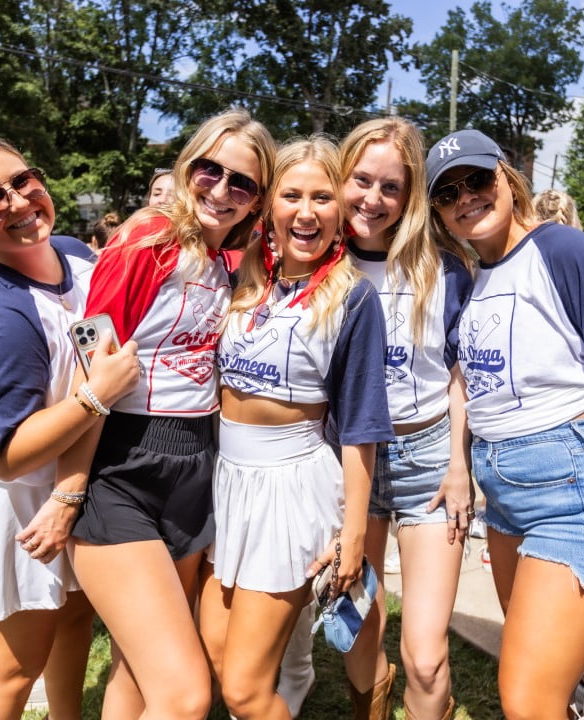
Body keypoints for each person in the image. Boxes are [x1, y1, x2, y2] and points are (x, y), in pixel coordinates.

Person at [425, 129, 584, 720]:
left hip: (577, 489)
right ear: (438, 213)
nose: (465, 197)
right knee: (543, 688)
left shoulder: (566, 251)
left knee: (527, 697)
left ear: (506, 177)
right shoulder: (472, 275)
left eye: (477, 180)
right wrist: (461, 465)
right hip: (506, 497)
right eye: (447, 193)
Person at [0, 132, 140, 720]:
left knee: (71, 623)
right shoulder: (1, 318)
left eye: (23, 180)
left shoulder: (76, 254)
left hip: (65, 482)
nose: (17, 200)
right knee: (11, 671)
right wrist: (95, 396)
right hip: (8, 502)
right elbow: (5, 454)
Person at [60, 109, 275, 719]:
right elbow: (91, 368)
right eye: (212, 170)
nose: (222, 190)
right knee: (184, 697)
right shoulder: (146, 239)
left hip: (194, 465)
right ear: (189, 166)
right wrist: (68, 493)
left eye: (243, 184)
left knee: (138, 665)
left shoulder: (227, 259)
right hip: (121, 467)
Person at [198, 135, 391, 720]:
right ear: (267, 205)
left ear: (340, 211)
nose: (306, 212)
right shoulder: (241, 277)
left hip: (290, 488)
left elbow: (361, 427)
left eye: (322, 197)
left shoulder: (353, 297)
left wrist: (353, 534)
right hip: (226, 483)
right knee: (216, 655)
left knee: (244, 690)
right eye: (291, 195)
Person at [332, 117, 474, 720]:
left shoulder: (444, 269)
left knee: (426, 656)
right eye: (361, 180)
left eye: (391, 187)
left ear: (410, 195)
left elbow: (462, 374)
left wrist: (460, 465)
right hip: (347, 465)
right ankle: (373, 703)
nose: (373, 198)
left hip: (429, 464)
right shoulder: (319, 266)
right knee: (357, 625)